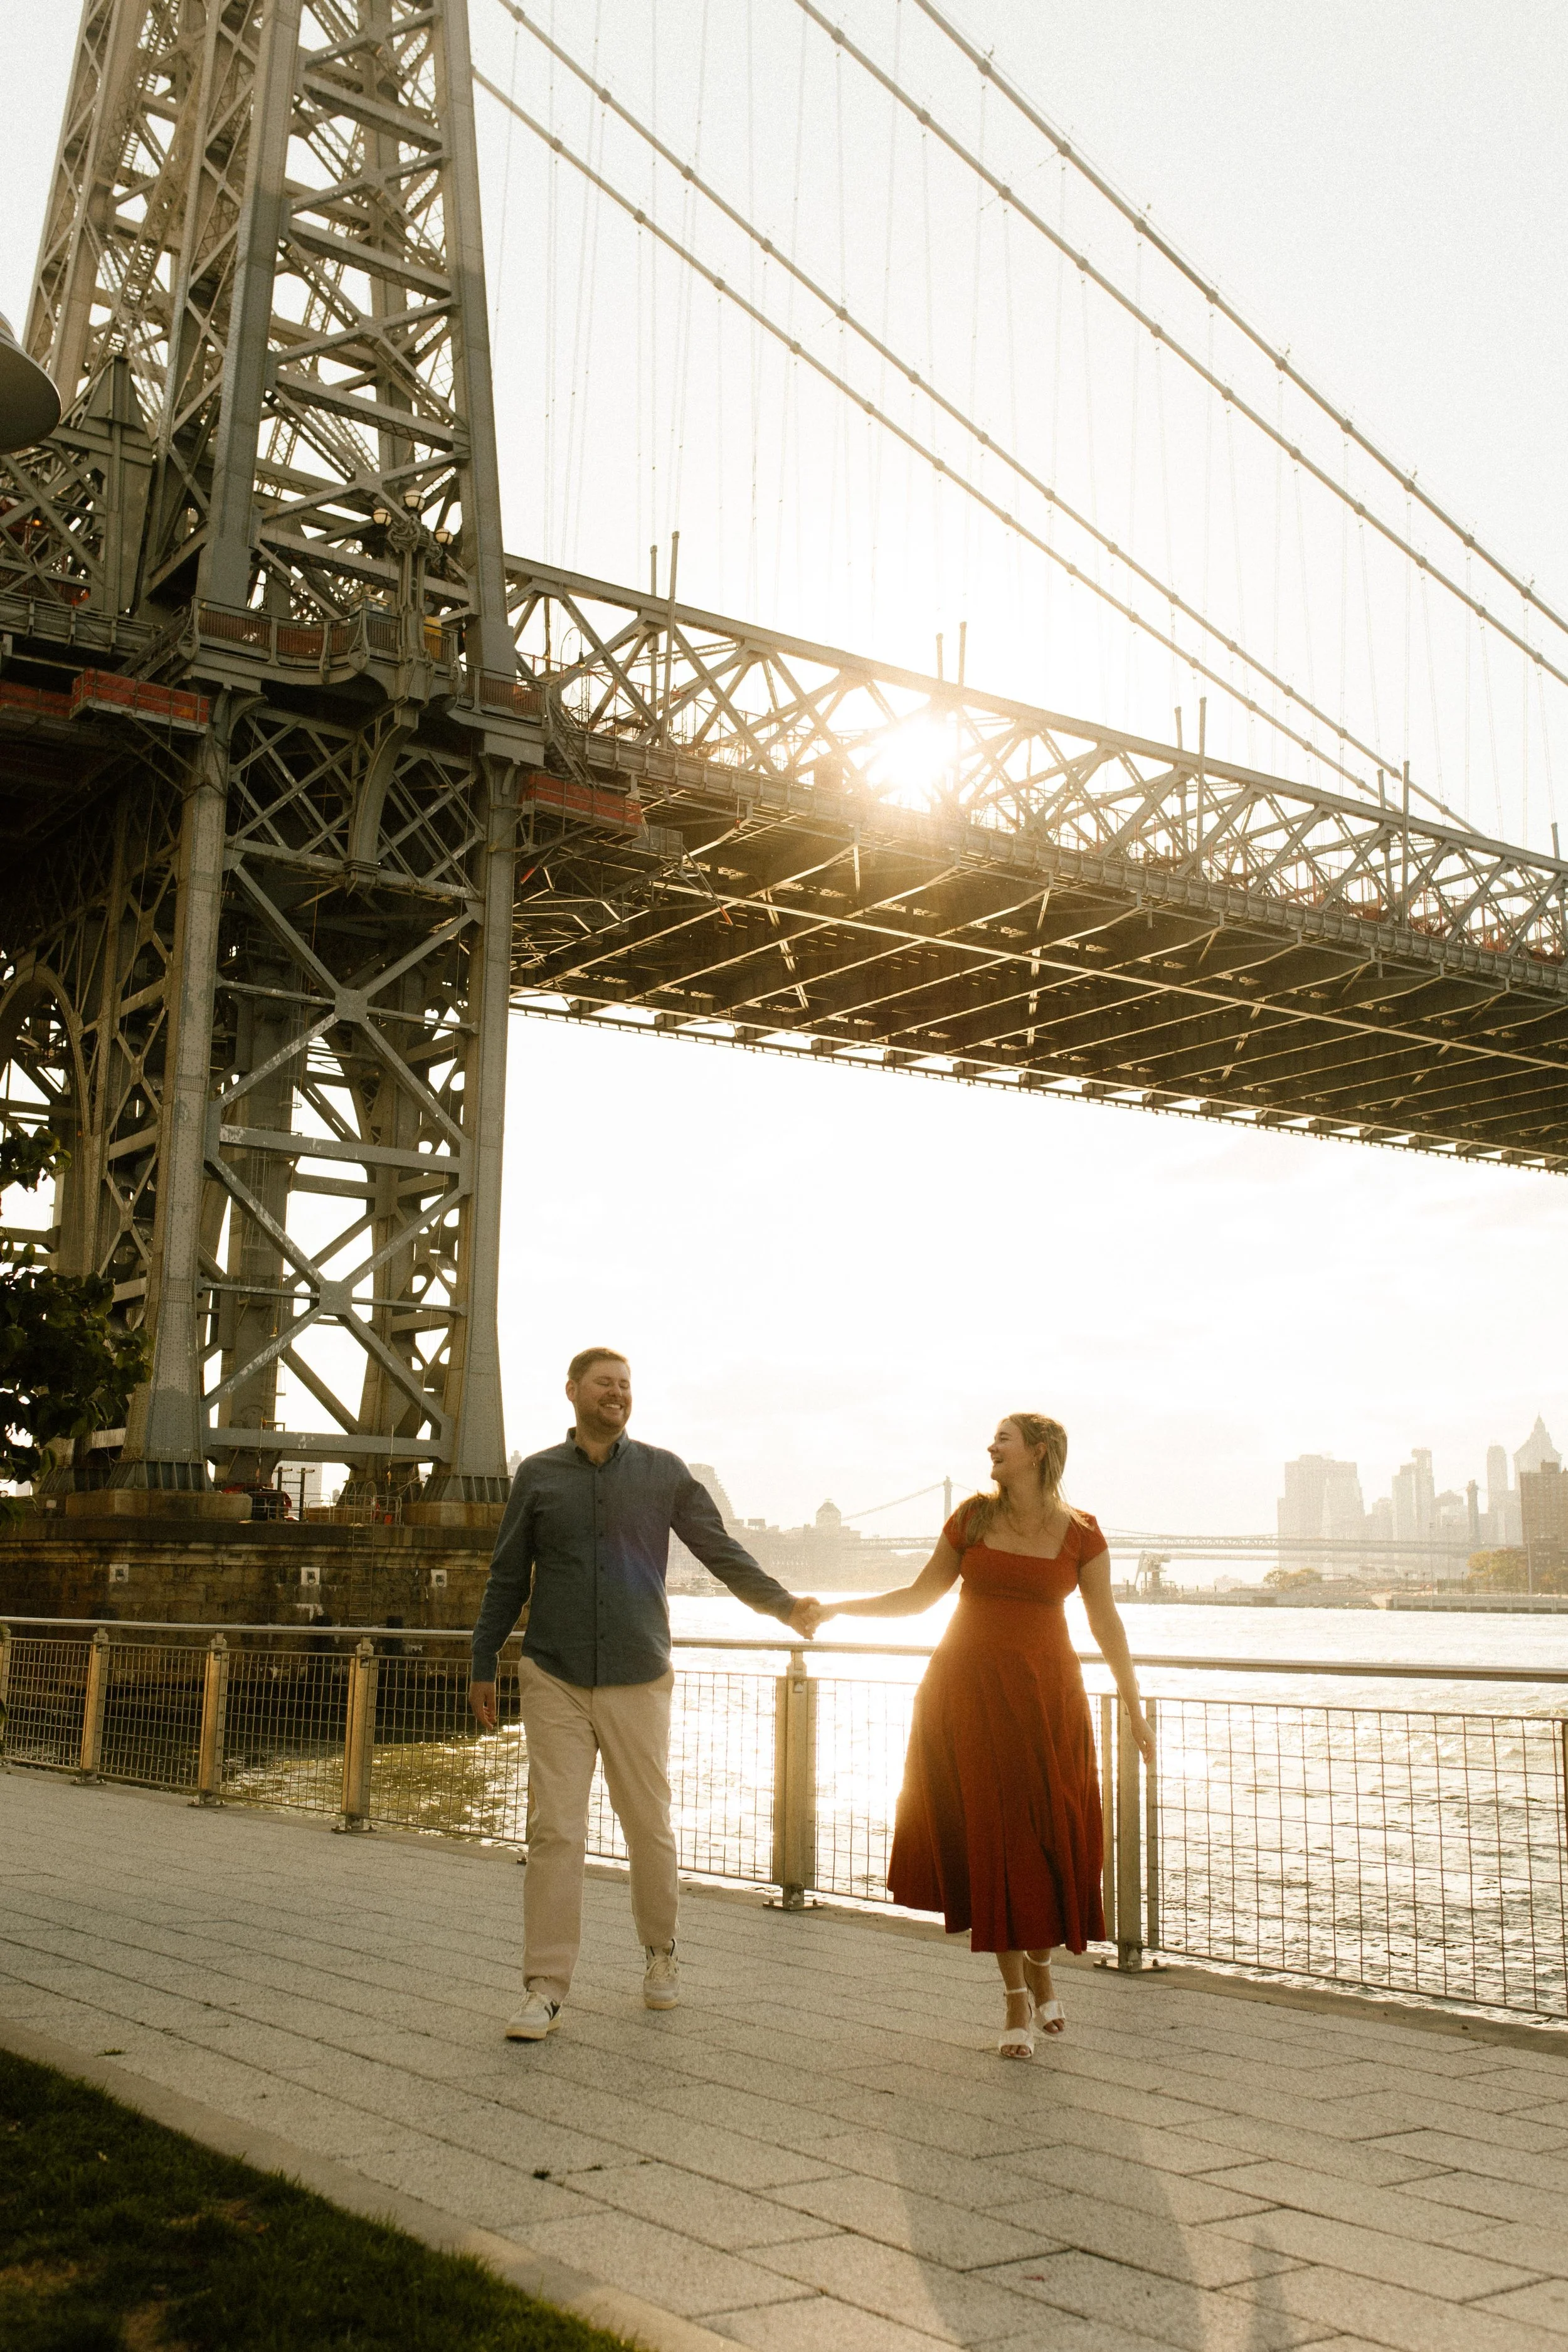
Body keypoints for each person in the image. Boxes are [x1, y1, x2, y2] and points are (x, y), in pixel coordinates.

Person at [469, 1347, 821, 2042]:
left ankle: (661, 1952)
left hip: (638, 1673)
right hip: (555, 1673)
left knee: (648, 1825)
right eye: (605, 1383)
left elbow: (721, 1552)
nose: (618, 1393)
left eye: (625, 1385)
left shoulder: (665, 1473)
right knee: (554, 1831)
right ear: (573, 1391)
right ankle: (544, 1988)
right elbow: (508, 1575)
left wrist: (784, 1607)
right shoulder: (538, 1475)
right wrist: (485, 1658)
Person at [818, 1411, 1152, 2059]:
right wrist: (834, 1608)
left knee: (1044, 1842)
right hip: (966, 1696)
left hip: (1047, 1701)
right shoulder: (972, 1517)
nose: (990, 1447)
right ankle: (1015, 2000)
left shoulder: (1082, 1533)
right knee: (994, 1842)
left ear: (1039, 1451)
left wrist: (1134, 1708)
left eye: (1003, 1438)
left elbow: (1106, 1623)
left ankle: (1042, 1970)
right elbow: (918, 1597)